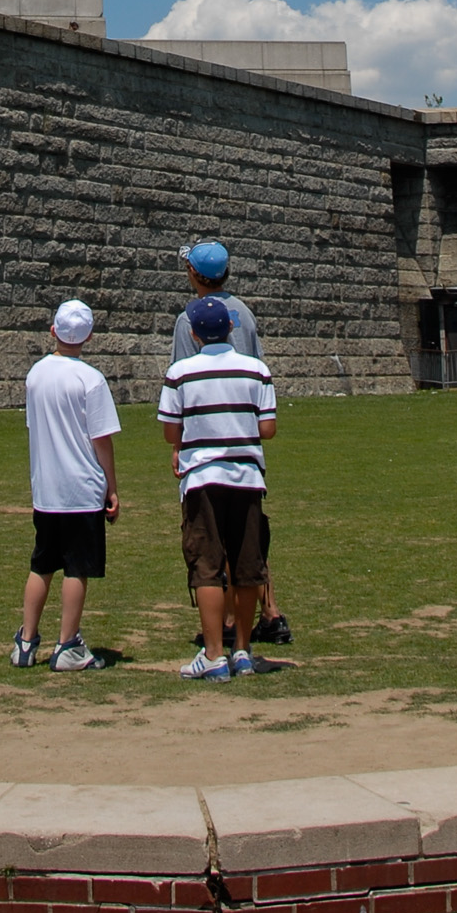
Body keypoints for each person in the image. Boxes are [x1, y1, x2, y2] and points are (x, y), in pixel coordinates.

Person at [172, 243, 291, 647]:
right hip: (246, 439)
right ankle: (269, 613)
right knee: (250, 535)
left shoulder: (188, 319)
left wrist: (178, 447)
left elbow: (183, 383)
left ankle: (224, 625)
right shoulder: (247, 312)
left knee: (213, 537)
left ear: (194, 274)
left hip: (207, 442)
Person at [159, 296, 277, 681]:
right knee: (247, 566)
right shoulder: (256, 370)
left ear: (193, 333)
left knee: (207, 566)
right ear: (231, 328)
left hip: (202, 480)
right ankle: (242, 651)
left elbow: (170, 432)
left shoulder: (180, 373)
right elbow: (268, 429)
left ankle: (212, 654)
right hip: (246, 478)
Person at [12, 300, 120, 673]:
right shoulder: (90, 379)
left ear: (53, 331)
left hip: (47, 488)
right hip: (82, 488)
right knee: (77, 569)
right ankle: (68, 643)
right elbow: (101, 439)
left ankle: (26, 641)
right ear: (88, 337)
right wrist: (112, 486)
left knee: (41, 564)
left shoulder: (36, 374)